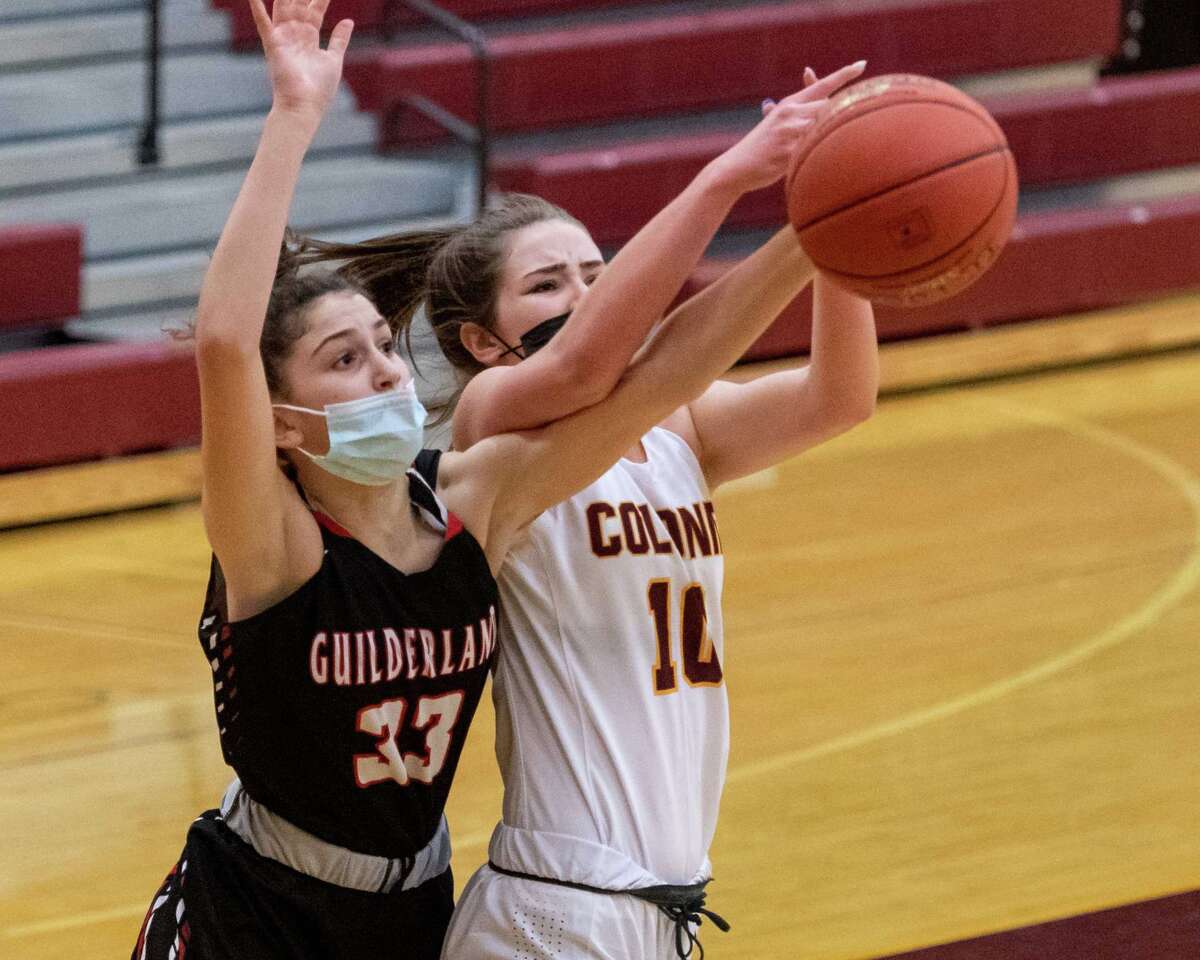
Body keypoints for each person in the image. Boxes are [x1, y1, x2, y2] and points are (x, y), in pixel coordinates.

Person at [131, 1, 844, 958]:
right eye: (343, 360)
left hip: (415, 899)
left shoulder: (471, 501)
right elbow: (225, 339)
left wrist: (822, 224)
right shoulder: (275, 546)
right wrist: (293, 122)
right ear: (282, 423)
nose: (387, 370)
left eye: (384, 346)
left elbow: (660, 374)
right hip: (260, 909)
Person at [314, 65, 877, 960]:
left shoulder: (681, 426)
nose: (583, 298)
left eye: (595, 273)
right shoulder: (492, 423)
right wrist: (731, 178)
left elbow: (839, 398)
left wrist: (840, 224)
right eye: (548, 285)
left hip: (657, 907)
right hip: (558, 908)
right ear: (483, 342)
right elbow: (584, 366)